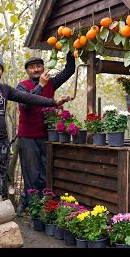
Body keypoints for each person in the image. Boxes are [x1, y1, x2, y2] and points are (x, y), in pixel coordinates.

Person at [0, 53, 72, 200]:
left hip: (3, 144)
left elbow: (29, 98)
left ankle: (4, 217)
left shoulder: (4, 89)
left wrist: (54, 103)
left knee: (3, 185)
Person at [15, 52, 75, 216]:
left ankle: (40, 206)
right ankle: (28, 203)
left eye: (38, 66)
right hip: (27, 136)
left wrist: (69, 48)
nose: (36, 69)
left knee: (44, 173)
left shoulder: (51, 83)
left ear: (43, 68)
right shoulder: (22, 86)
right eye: (32, 67)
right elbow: (26, 103)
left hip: (47, 136)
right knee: (30, 173)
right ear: (27, 71)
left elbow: (69, 70)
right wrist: (40, 85)